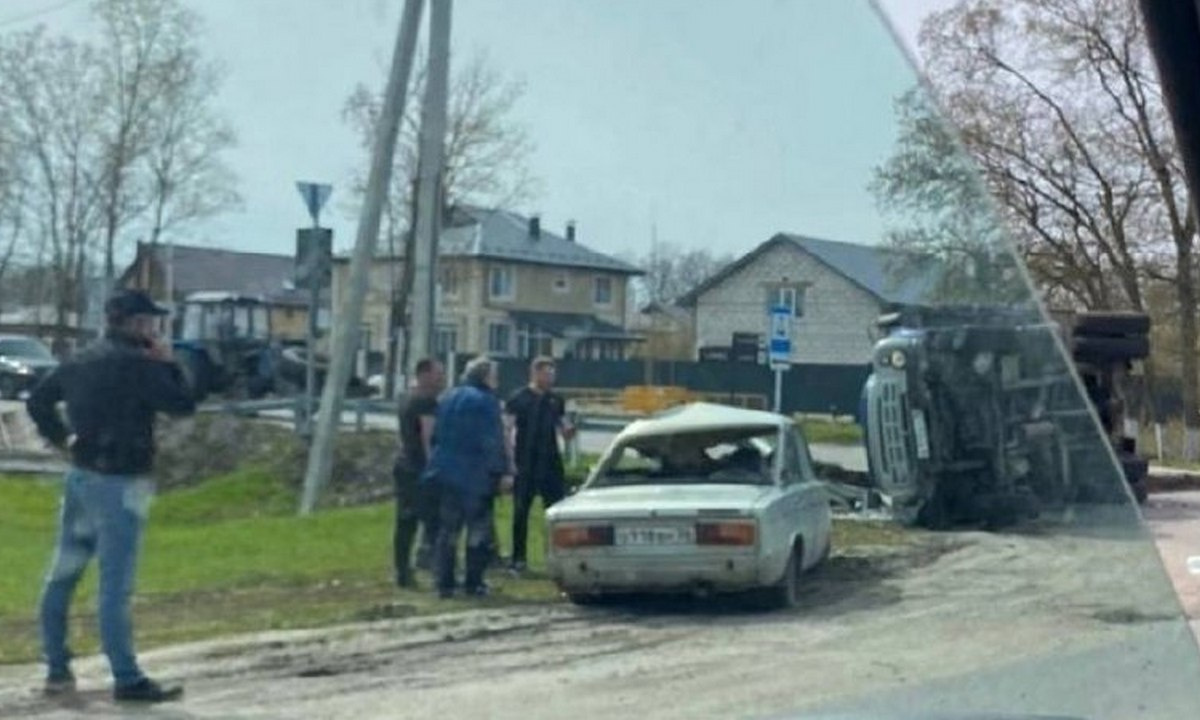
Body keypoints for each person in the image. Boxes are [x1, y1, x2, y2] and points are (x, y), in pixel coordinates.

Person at [26, 290, 196, 704]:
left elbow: (38, 401)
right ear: (135, 323)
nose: (153, 327)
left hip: (82, 475)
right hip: (122, 481)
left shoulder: (81, 359)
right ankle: (126, 676)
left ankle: (58, 670)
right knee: (114, 585)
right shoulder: (140, 364)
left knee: (63, 574)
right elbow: (182, 404)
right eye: (149, 321)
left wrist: (61, 437)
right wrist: (170, 364)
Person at [424, 356, 509, 599]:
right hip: (476, 476)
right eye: (494, 375)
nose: (497, 380)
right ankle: (474, 583)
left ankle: (445, 584)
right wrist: (502, 471)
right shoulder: (487, 402)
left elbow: (436, 435)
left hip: (446, 472)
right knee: (478, 531)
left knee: (448, 531)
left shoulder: (448, 397)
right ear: (485, 377)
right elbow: (492, 440)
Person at [505, 356, 576, 574]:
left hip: (550, 461)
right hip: (525, 461)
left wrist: (569, 431)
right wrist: (509, 460)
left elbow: (563, 427)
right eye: (547, 373)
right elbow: (508, 429)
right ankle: (518, 559)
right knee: (521, 511)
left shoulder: (556, 400)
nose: (551, 378)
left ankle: (557, 557)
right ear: (535, 374)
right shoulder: (519, 398)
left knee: (555, 511)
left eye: (553, 374)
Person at [393, 358, 446, 587]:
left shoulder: (406, 398)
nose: (441, 379)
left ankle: (402, 572)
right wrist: (433, 467)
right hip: (420, 469)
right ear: (424, 374)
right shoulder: (426, 402)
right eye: (438, 374)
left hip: (404, 465)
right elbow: (428, 437)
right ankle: (440, 573)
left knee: (405, 522)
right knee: (435, 523)